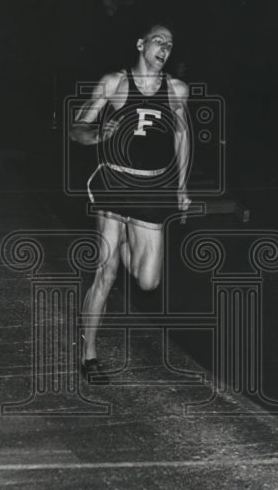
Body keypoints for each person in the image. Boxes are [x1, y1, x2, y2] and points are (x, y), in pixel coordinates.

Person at [69, 22, 191, 382]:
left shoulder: (177, 90)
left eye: (170, 44)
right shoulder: (114, 83)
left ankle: (127, 246)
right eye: (158, 40)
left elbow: (182, 138)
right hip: (114, 181)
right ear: (141, 44)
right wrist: (94, 136)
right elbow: (78, 127)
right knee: (105, 272)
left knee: (148, 281)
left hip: (153, 188)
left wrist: (181, 188)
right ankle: (89, 355)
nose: (164, 48)